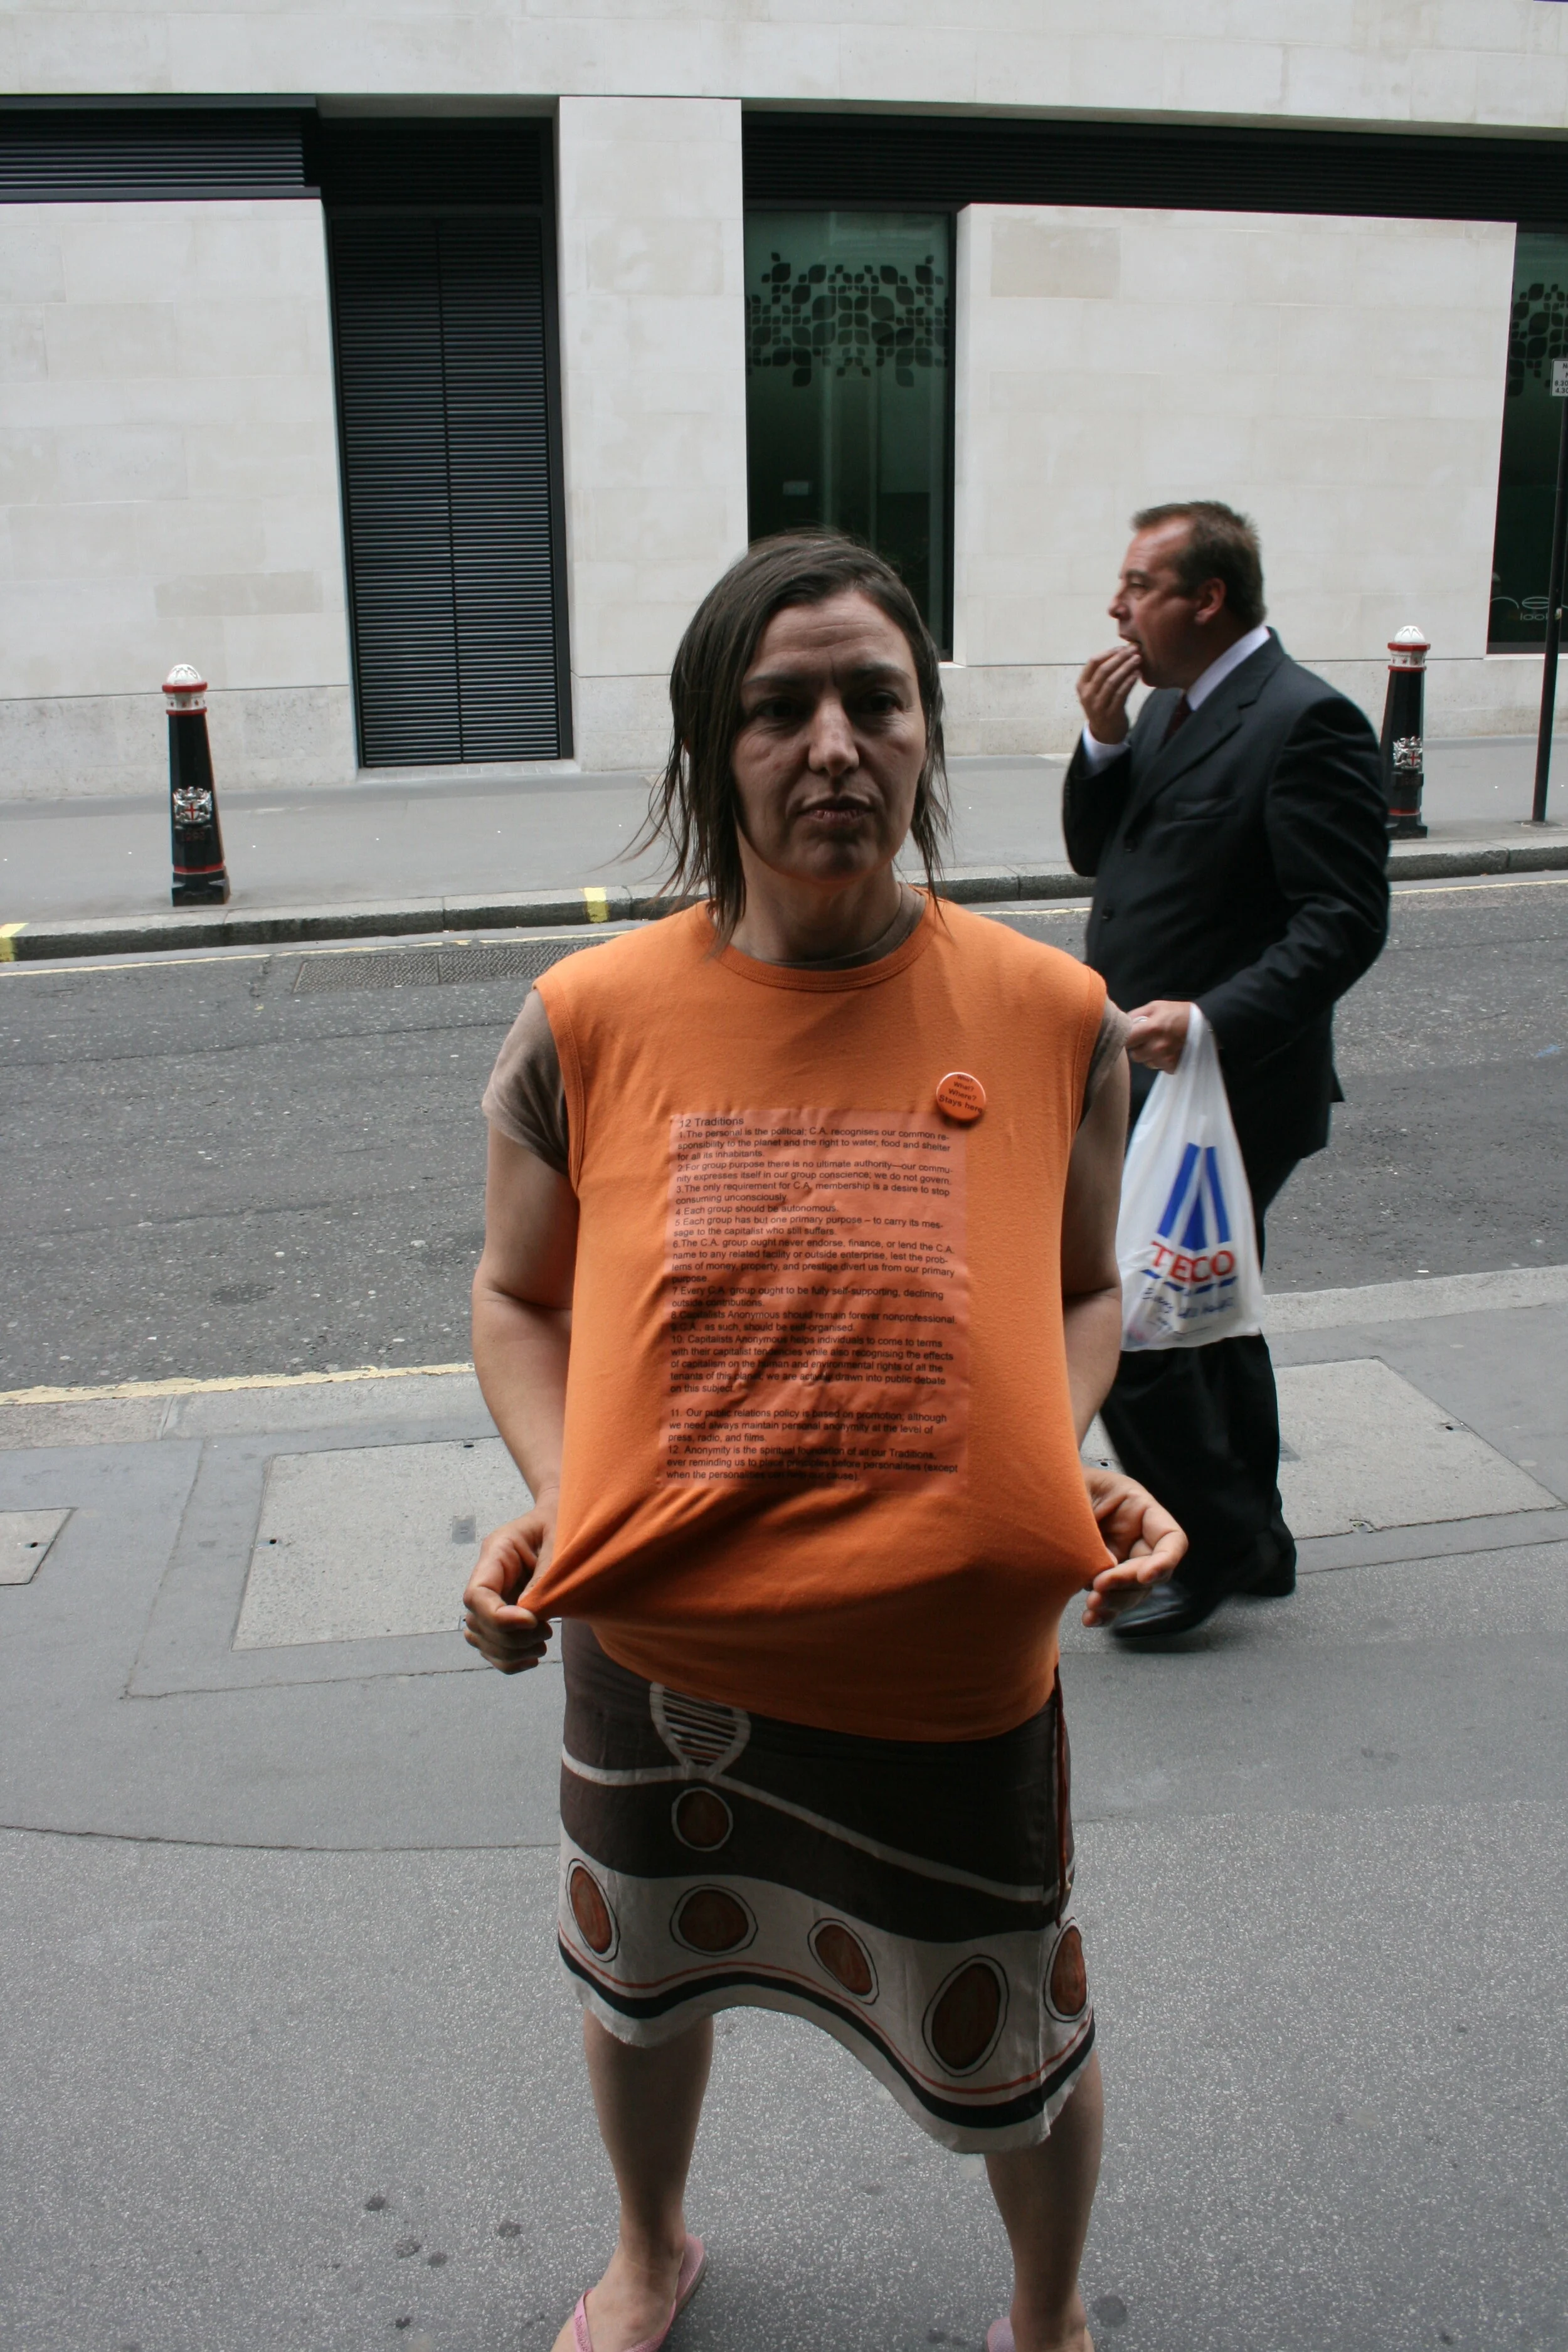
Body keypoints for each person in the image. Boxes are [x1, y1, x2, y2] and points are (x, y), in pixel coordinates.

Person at [463, 533, 1186, 2352]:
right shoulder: (584, 1022)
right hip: (662, 1659)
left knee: (1007, 2014)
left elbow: (1081, 1291)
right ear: (714, 750)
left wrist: (1056, 1440)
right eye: (778, 707)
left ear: (932, 733)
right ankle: (649, 2248)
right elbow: (520, 1299)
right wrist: (565, 1498)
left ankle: (1045, 2312)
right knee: (644, 1980)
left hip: (951, 1685)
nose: (834, 744)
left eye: (876, 697)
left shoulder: (1050, 1015)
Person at [1063, 501, 1389, 1640]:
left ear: (1207, 598)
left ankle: (1198, 1546)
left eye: (1140, 585)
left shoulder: (1305, 721)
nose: (1117, 606)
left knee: (1133, 1319)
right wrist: (1103, 745)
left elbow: (1342, 919)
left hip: (1231, 1086)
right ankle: (1260, 1541)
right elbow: (1101, 856)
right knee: (1214, 1316)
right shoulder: (1164, 709)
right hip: (1156, 1082)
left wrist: (1207, 1023)